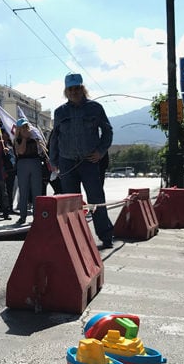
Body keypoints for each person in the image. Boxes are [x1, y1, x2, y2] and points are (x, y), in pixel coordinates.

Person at [49, 73, 114, 249]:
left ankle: (106, 236)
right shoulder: (59, 112)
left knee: (97, 199)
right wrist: (53, 161)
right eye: (71, 89)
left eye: (77, 88)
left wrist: (100, 152)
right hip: (66, 163)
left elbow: (107, 132)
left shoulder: (95, 108)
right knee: (70, 204)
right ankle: (74, 240)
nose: (74, 91)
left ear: (82, 88)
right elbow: (55, 138)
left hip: (89, 162)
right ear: (66, 91)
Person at [13, 118, 45, 225]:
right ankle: (23, 216)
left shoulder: (35, 137)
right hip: (23, 164)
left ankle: (37, 216)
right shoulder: (17, 140)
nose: (25, 129)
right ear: (18, 129)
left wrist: (37, 140)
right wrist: (24, 139)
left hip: (35, 162)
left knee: (37, 191)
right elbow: (20, 151)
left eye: (26, 127)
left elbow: (43, 151)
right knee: (24, 191)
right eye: (22, 128)